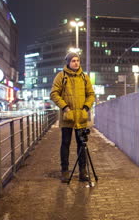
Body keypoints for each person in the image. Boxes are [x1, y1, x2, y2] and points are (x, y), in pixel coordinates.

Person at [50, 52, 95, 183]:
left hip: (80, 117)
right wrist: (65, 107)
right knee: (65, 144)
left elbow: (91, 94)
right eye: (73, 61)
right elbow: (54, 94)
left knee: (82, 144)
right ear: (68, 62)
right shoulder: (61, 76)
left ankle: (82, 172)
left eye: (78, 60)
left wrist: (86, 108)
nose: (76, 63)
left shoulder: (84, 77)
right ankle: (65, 171)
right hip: (67, 117)